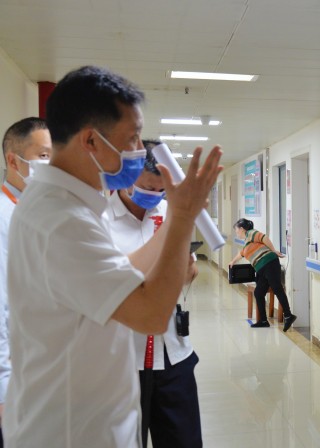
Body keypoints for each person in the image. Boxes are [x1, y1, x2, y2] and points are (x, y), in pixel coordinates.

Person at [4, 65, 222, 447]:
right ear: (91, 140)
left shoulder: (72, 206)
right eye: (132, 137)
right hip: (73, 432)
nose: (139, 150)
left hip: (94, 418)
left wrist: (174, 218)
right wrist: (183, 216)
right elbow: (152, 314)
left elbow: (120, 274)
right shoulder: (61, 220)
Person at [106, 140, 202, 447]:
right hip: (123, 363)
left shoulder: (172, 213)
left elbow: (187, 276)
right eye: (148, 188)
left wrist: (186, 270)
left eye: (161, 191)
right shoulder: (100, 222)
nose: (155, 196)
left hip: (174, 355)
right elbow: (111, 286)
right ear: (127, 178)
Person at [0, 118, 51, 446]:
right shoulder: (4, 218)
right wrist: (4, 390)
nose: (51, 165)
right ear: (13, 160)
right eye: (43, 156)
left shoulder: (36, 212)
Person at [229, 218, 297, 331]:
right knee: (259, 292)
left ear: (241, 229)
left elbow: (264, 237)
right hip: (262, 268)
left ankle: (288, 315)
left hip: (269, 263)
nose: (236, 233)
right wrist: (233, 261)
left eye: (236, 230)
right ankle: (263, 321)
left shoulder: (251, 233)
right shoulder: (247, 241)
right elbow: (242, 253)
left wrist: (273, 250)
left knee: (277, 288)